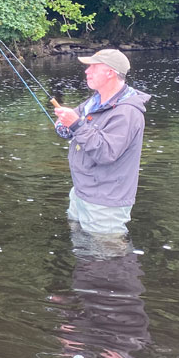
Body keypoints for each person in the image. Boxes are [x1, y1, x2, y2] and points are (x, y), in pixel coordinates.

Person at [53, 49, 150, 236]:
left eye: (93, 67)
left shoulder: (127, 113)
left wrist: (76, 124)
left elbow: (106, 152)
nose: (86, 71)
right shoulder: (95, 101)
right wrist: (65, 124)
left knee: (108, 259)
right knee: (84, 253)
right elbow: (74, 125)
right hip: (82, 192)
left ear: (110, 72)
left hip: (105, 202)